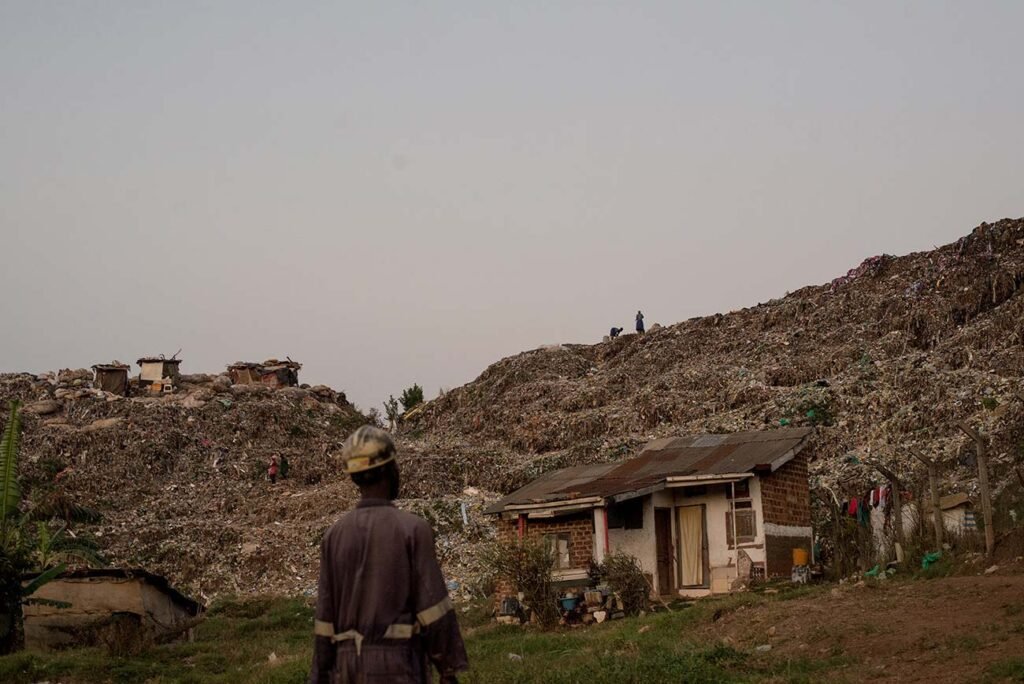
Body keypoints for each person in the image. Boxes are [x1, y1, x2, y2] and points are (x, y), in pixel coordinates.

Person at [309, 426, 467, 684]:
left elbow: (325, 620)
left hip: (346, 668)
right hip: (398, 666)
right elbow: (434, 608)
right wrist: (448, 670)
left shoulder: (334, 536)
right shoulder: (413, 529)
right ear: (389, 470)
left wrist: (319, 677)